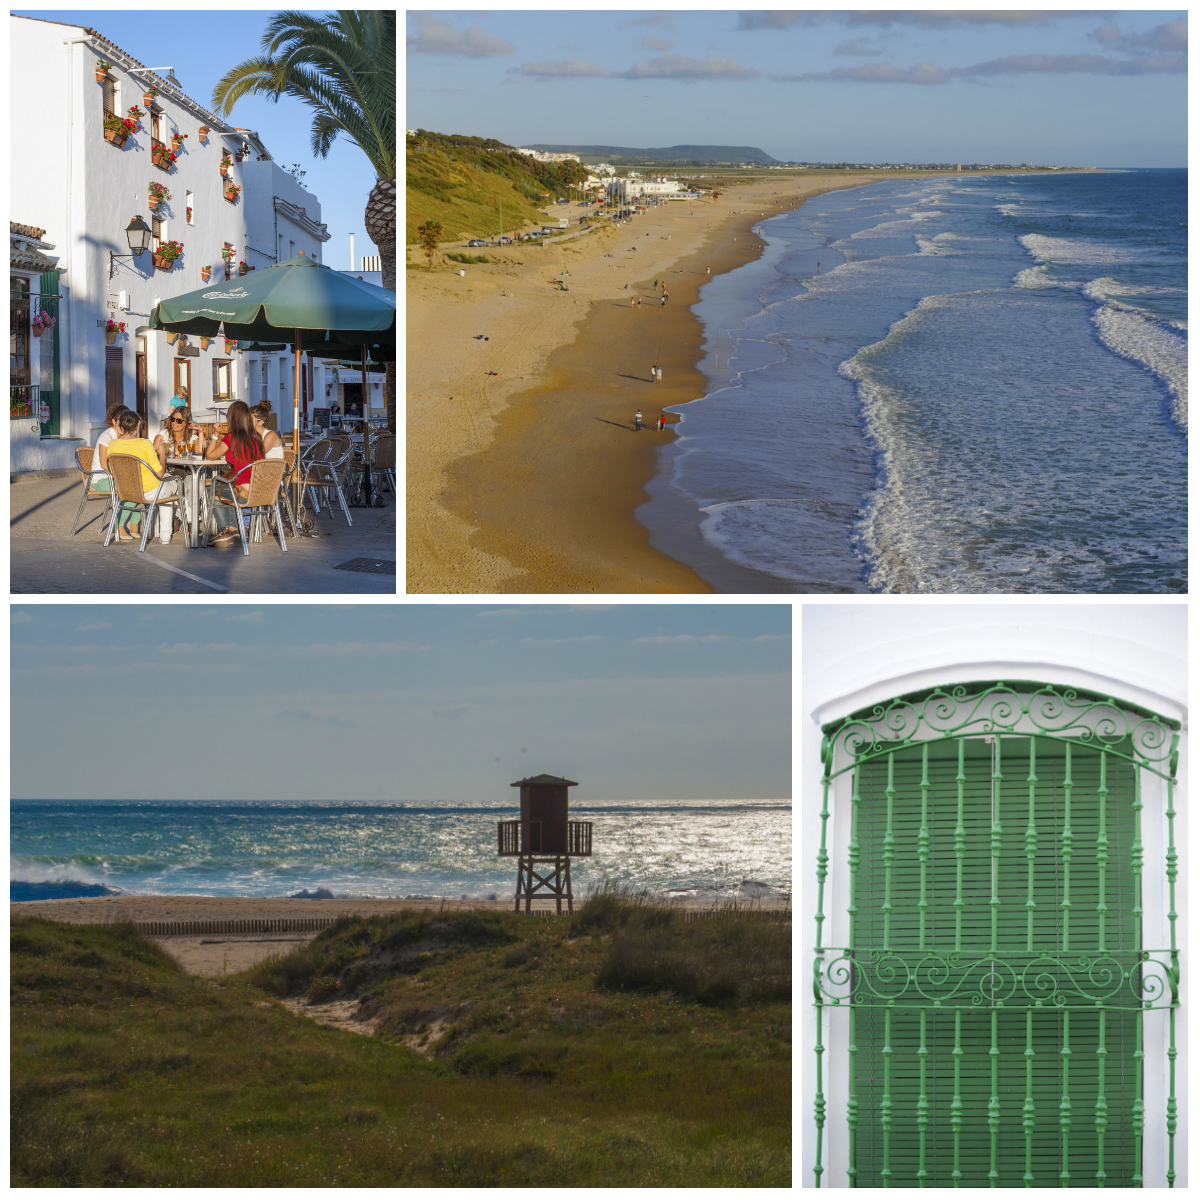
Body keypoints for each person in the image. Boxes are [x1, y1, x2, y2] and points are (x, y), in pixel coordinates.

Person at [106, 408, 178, 543]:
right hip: (149, 491)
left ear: (121, 427)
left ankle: (161, 533)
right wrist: (162, 453)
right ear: (138, 424)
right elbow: (160, 473)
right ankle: (165, 536)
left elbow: (112, 469)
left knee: (166, 487)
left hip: (125, 491)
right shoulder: (144, 443)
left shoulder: (112, 444)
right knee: (168, 489)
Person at [206, 399, 264, 546]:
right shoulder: (257, 438)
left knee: (212, 489)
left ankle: (230, 529)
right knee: (227, 488)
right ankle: (233, 530)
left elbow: (210, 455)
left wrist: (215, 434)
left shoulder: (231, 438)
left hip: (243, 494)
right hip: (262, 492)